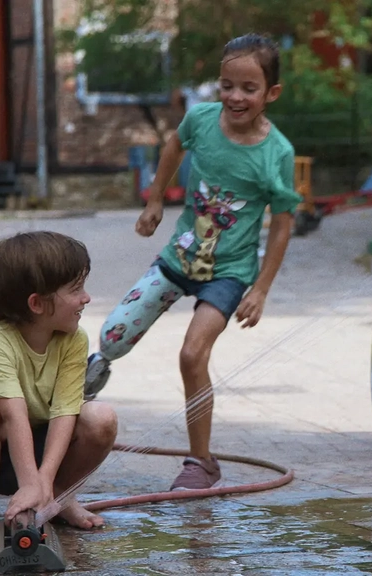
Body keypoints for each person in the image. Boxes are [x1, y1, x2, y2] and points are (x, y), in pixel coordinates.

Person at [83, 33, 302, 491]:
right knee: (113, 334)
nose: (235, 97)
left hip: (229, 272)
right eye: (227, 85)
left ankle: (200, 461)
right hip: (177, 258)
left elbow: (282, 223)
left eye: (248, 88)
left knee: (192, 354)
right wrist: (155, 200)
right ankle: (82, 389)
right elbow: (172, 147)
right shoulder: (201, 120)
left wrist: (260, 288)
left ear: (271, 94)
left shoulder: (276, 153)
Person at [0, 231, 118, 536]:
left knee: (102, 418)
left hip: (53, 450)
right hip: (4, 454)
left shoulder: (74, 339)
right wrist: (29, 485)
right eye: (76, 290)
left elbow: (65, 410)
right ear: (36, 304)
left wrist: (45, 484)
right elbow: (13, 415)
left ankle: (60, 499)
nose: (86, 298)